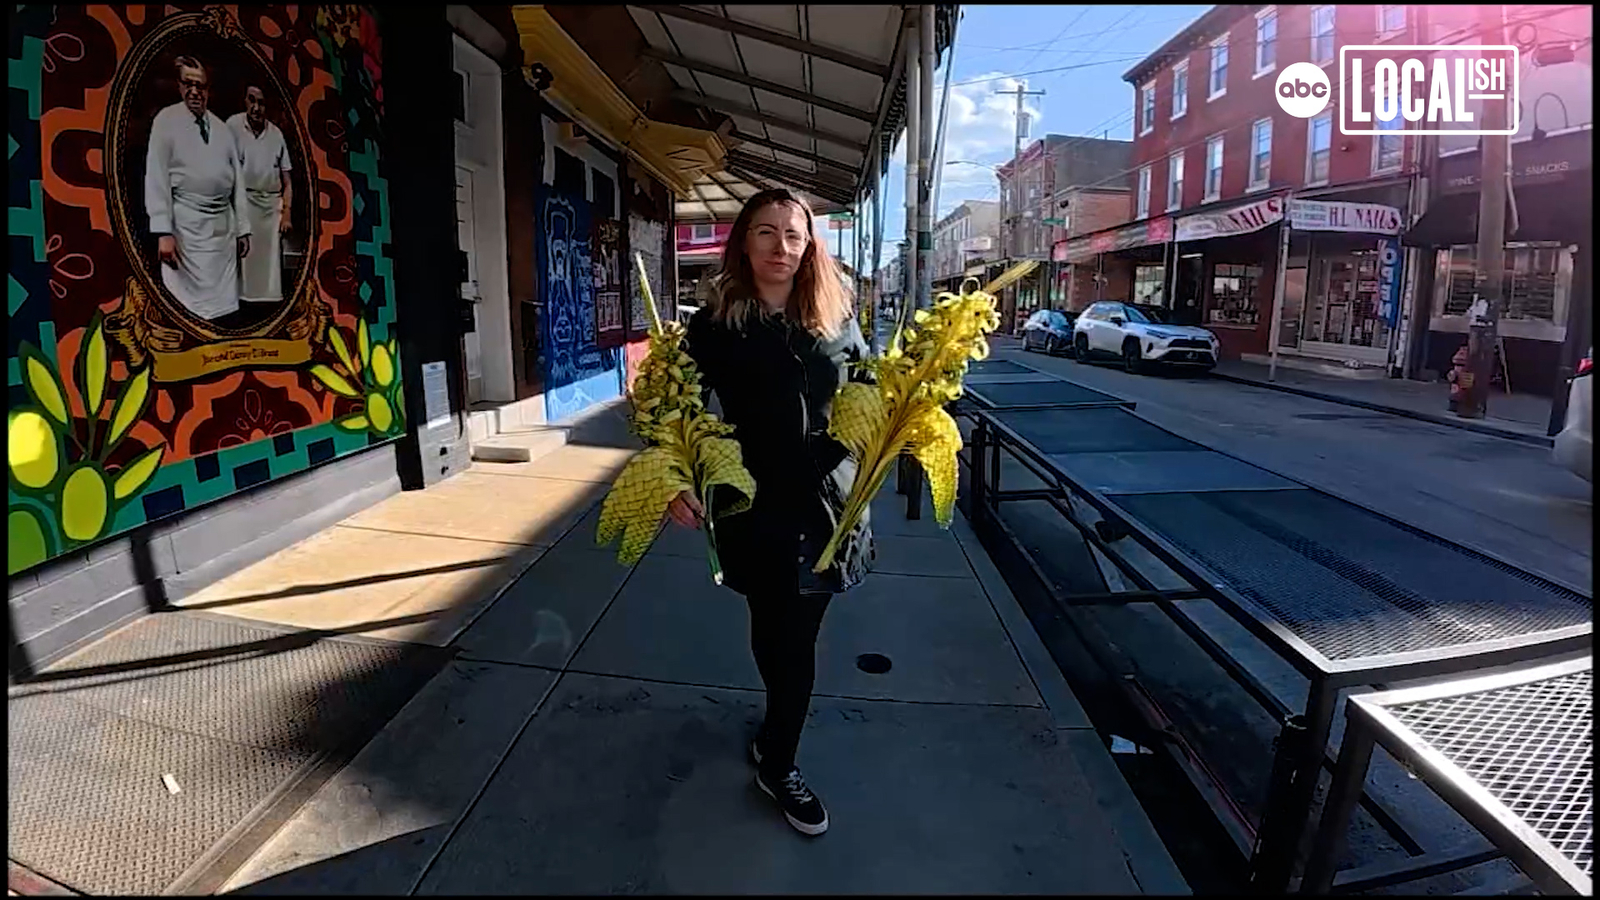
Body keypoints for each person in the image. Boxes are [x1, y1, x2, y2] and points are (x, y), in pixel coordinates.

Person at [669, 189, 875, 837]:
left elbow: (868, 389)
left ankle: (778, 759)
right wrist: (676, 475)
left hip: (828, 504)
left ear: (810, 245)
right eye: (765, 232)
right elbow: (678, 408)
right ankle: (775, 735)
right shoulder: (715, 324)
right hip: (753, 502)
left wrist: (880, 429)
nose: (780, 247)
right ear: (744, 241)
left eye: (793, 234)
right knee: (771, 626)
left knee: (797, 638)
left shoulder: (838, 316)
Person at [144, 55, 250, 322]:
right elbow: (156, 176)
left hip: (222, 230)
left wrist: (243, 229)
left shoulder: (222, 129)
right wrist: (163, 232)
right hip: (186, 228)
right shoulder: (165, 121)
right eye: (188, 84)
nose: (194, 91)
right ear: (179, 86)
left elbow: (238, 181)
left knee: (224, 310)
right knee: (187, 312)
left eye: (200, 85)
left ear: (208, 89)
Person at [227, 85, 293, 306]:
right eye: (252, 100)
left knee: (270, 270)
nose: (256, 108)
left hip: (271, 207)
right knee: (243, 265)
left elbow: (287, 182)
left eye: (261, 103)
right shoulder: (232, 126)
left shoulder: (276, 135)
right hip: (243, 202)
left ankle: (268, 307)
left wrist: (286, 214)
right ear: (245, 101)